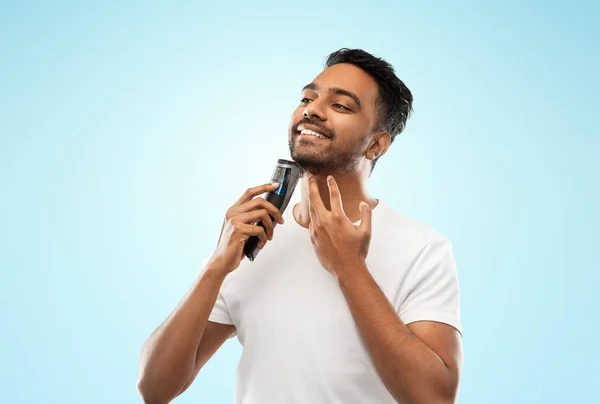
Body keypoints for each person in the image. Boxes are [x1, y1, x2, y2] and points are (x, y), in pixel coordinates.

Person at [137, 48, 463, 404]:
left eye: (341, 106)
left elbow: (434, 397)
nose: (312, 110)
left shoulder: (422, 248)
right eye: (307, 98)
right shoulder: (251, 240)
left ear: (376, 144)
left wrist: (349, 267)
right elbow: (154, 389)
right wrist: (216, 268)